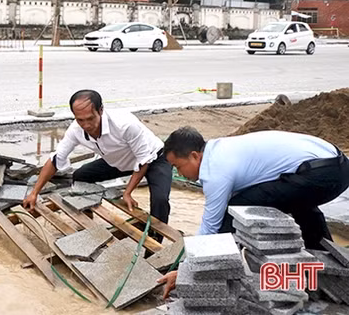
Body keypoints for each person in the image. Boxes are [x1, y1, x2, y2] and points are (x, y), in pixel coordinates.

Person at [157, 126, 349, 298]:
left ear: (194, 156)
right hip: (338, 166)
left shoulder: (215, 171)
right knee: (298, 202)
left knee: (236, 208)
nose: (179, 174)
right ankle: (326, 263)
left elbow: (211, 225)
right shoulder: (219, 149)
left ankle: (214, 275)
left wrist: (186, 270)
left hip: (322, 173)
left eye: (178, 167)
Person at [22, 89, 172, 228]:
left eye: (90, 118)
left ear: (101, 110)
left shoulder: (125, 124)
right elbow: (56, 159)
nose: (86, 125)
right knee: (81, 176)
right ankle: (86, 219)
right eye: (80, 120)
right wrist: (34, 193)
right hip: (118, 160)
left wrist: (127, 192)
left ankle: (154, 243)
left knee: (160, 200)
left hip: (153, 159)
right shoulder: (75, 130)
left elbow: (143, 160)